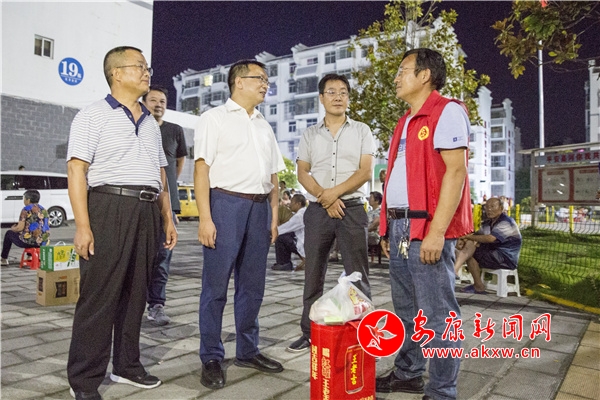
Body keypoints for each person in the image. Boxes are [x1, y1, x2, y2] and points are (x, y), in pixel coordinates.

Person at [66, 46, 177, 400]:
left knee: (136, 293)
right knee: (99, 296)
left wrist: (168, 217)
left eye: (147, 66)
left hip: (147, 211)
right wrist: (82, 226)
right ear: (116, 73)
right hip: (109, 207)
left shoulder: (151, 123)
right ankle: (84, 381)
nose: (147, 72)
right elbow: (77, 170)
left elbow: (160, 174)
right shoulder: (92, 115)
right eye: (139, 66)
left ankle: (127, 365)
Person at [377, 48, 473, 400]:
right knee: (407, 311)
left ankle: (442, 390)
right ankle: (409, 373)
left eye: (403, 70)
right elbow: (397, 177)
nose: (397, 77)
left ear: (425, 75)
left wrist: (436, 232)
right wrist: (386, 228)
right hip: (400, 227)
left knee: (437, 315)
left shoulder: (446, 111)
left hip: (426, 228)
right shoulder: (405, 121)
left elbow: (455, 172)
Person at [194, 59, 286, 390]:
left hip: (259, 209)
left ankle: (248, 350)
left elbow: (274, 175)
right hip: (225, 204)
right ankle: (211, 356)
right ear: (239, 82)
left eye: (266, 79)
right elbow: (201, 169)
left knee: (252, 286)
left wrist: (273, 215)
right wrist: (205, 217)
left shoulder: (264, 125)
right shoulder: (214, 118)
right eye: (259, 78)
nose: (265, 84)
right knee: (215, 286)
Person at [287, 73, 375, 353]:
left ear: (348, 97)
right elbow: (303, 172)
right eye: (332, 92)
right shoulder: (310, 134)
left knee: (358, 274)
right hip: (318, 211)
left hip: (352, 209)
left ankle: (363, 334)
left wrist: (332, 194)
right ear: (321, 98)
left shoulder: (362, 130)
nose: (338, 97)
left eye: (343, 92)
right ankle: (309, 332)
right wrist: (325, 199)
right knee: (313, 272)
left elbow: (365, 171)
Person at [142, 85, 188, 326]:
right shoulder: (137, 126)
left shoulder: (175, 130)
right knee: (138, 256)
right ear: (144, 103)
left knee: (163, 256)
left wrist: (170, 191)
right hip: (140, 201)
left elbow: (179, 161)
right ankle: (132, 303)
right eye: (153, 100)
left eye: (162, 101)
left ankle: (156, 305)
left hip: (167, 202)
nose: (158, 104)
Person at [454, 197, 522, 294]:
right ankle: (456, 270)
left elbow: (490, 238)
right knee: (470, 245)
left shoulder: (506, 222)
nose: (489, 209)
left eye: (492, 206)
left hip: (505, 258)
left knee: (470, 253)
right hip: (494, 254)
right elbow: (476, 235)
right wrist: (463, 239)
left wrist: (468, 238)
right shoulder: (488, 223)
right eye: (487, 207)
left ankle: (476, 284)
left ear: (501, 208)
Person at [1, 189, 50, 265]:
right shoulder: (44, 210)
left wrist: (13, 228)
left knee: (9, 233)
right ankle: (30, 256)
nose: (23, 200)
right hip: (43, 242)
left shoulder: (26, 209)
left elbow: (19, 228)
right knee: (29, 233)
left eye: (24, 198)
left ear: (28, 200)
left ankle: (4, 259)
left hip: (29, 242)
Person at [271, 193, 307, 271]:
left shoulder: (299, 216)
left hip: (304, 244)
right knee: (286, 234)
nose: (290, 204)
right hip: (307, 242)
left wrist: (272, 231)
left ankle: (284, 263)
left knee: (280, 237)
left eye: (292, 202)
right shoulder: (305, 212)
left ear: (298, 204)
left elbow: (286, 228)